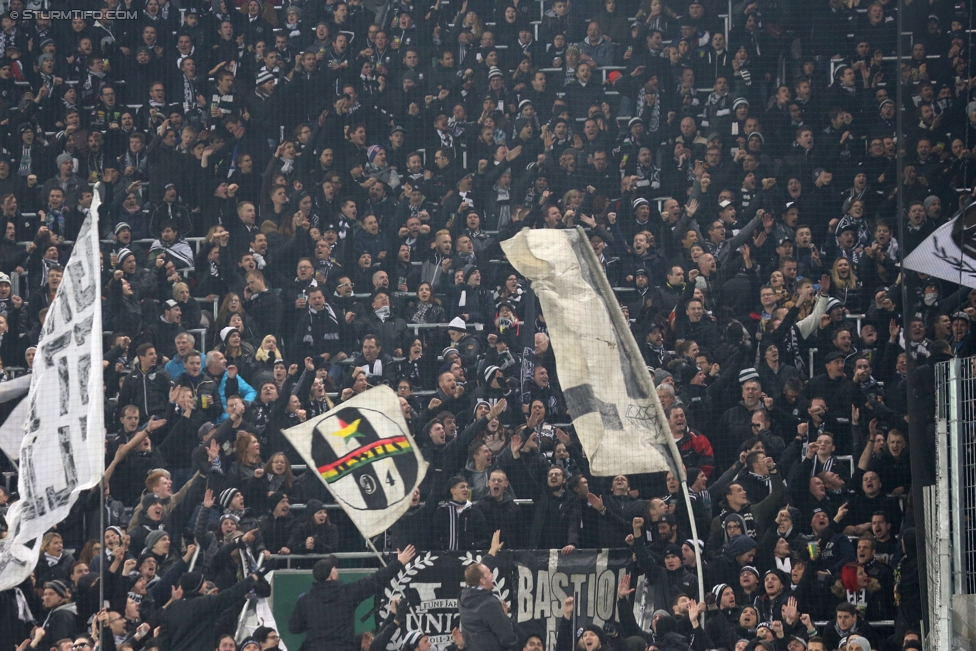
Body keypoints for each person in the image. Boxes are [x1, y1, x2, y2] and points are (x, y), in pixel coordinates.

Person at [289, 546, 417, 651]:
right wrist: (399, 563)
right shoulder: (347, 594)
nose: (336, 569)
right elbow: (376, 580)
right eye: (334, 568)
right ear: (331, 576)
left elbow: (294, 628)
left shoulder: (305, 601)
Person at [458, 531, 514, 651]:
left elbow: (478, 571)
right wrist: (503, 616)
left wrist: (492, 552)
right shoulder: (490, 604)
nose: (492, 575)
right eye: (489, 574)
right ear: (482, 581)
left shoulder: (463, 596)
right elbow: (507, 637)